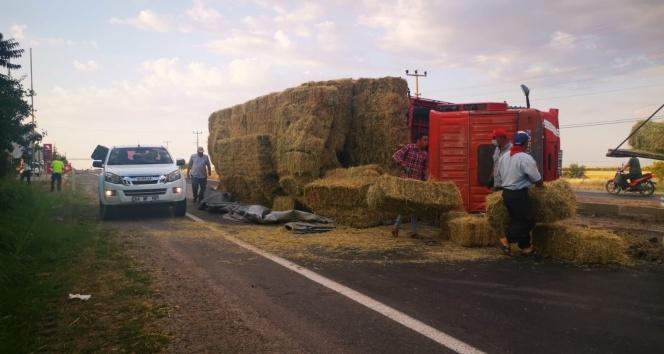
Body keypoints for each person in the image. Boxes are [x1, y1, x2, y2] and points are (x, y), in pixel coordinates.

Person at [495, 131, 543, 256]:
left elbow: (498, 175)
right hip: (519, 194)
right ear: (526, 143)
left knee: (518, 220)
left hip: (506, 193)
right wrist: (541, 186)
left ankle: (525, 246)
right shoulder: (525, 158)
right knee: (529, 221)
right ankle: (506, 239)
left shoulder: (504, 157)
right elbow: (536, 178)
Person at [391, 134, 428, 238]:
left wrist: (426, 179)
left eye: (427, 140)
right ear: (418, 140)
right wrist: (402, 164)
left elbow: (424, 169)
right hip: (406, 181)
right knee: (406, 205)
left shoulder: (425, 154)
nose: (427, 142)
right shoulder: (409, 147)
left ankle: (411, 231)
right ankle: (398, 227)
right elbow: (395, 156)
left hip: (417, 183)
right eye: (424, 140)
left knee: (414, 206)